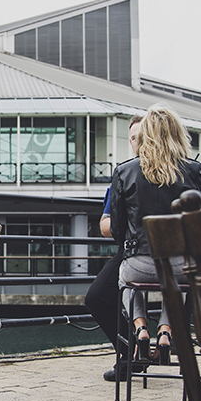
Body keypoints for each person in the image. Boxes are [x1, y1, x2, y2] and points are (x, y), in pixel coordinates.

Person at [109, 105, 201, 367]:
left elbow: (117, 229)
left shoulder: (124, 171)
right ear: (177, 133)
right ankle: (165, 331)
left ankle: (141, 328)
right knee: (177, 283)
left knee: (125, 281)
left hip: (138, 263)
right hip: (179, 265)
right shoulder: (193, 170)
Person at [85, 115, 142, 382]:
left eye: (141, 135)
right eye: (133, 137)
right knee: (97, 296)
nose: (137, 142)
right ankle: (130, 352)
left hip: (169, 254)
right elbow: (106, 225)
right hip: (131, 249)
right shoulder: (125, 173)